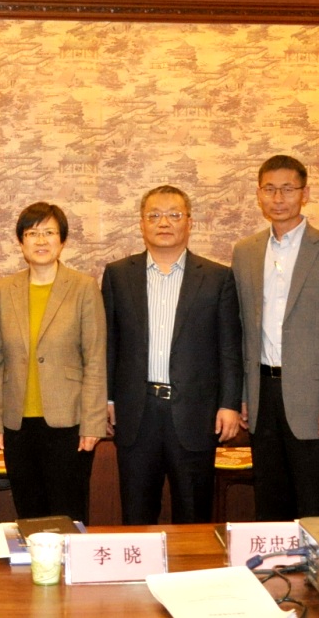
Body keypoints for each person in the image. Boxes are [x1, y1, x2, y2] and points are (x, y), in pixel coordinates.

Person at [103, 185, 242, 525]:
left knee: (194, 515)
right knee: (136, 515)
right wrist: (107, 399)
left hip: (196, 413)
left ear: (189, 222)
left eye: (174, 215)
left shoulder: (217, 277)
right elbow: (108, 343)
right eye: (154, 215)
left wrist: (229, 404)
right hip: (137, 412)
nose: (163, 222)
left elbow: (229, 348)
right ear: (142, 223)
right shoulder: (118, 275)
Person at [232, 156, 319, 520]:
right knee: (270, 503)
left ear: (305, 193)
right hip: (262, 394)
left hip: (313, 399)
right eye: (269, 189)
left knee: (315, 503)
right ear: (259, 194)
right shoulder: (245, 252)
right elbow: (241, 330)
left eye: (288, 189)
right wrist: (243, 394)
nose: (278, 198)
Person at [0, 202, 108, 523]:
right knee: (30, 515)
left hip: (70, 423)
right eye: (32, 233)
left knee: (68, 515)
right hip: (17, 424)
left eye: (49, 232)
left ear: (62, 241)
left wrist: (93, 422)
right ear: (21, 242)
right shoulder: (4, 289)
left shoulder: (83, 287)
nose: (41, 240)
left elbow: (95, 358)